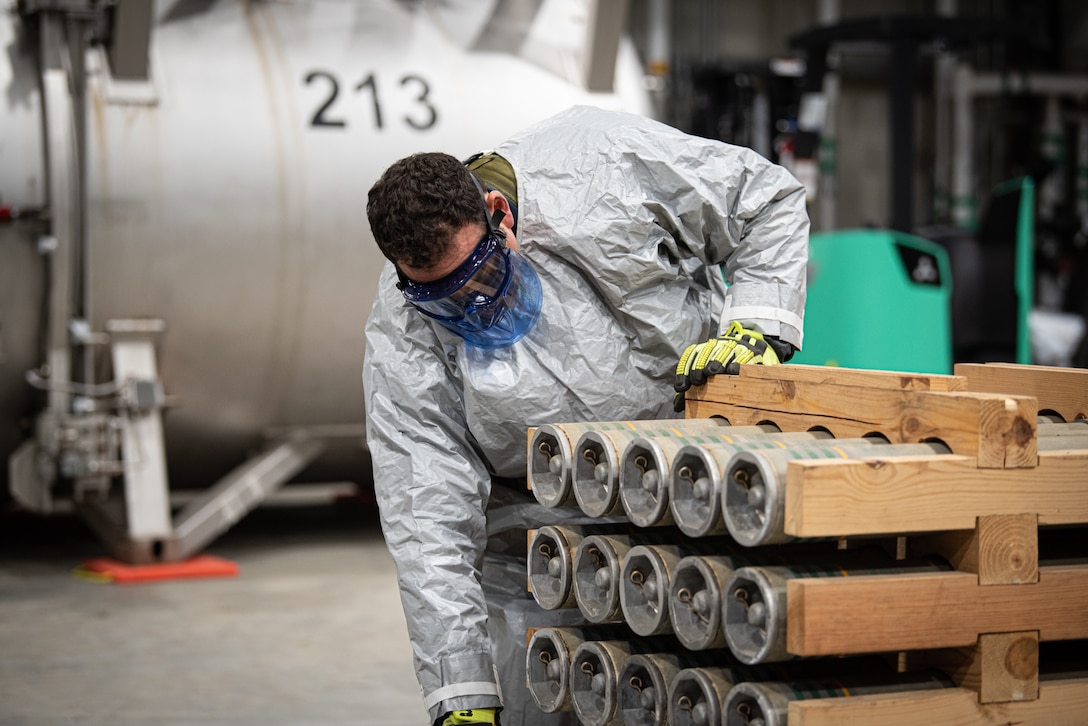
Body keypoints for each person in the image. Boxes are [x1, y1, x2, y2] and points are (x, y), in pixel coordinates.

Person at [363, 105, 808, 725]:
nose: (476, 308)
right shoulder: (404, 324)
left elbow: (765, 199)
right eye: (445, 299)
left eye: (481, 274)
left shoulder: (606, 163)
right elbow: (426, 514)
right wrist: (460, 693)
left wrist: (759, 326)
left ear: (499, 214)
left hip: (689, 506)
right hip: (538, 551)